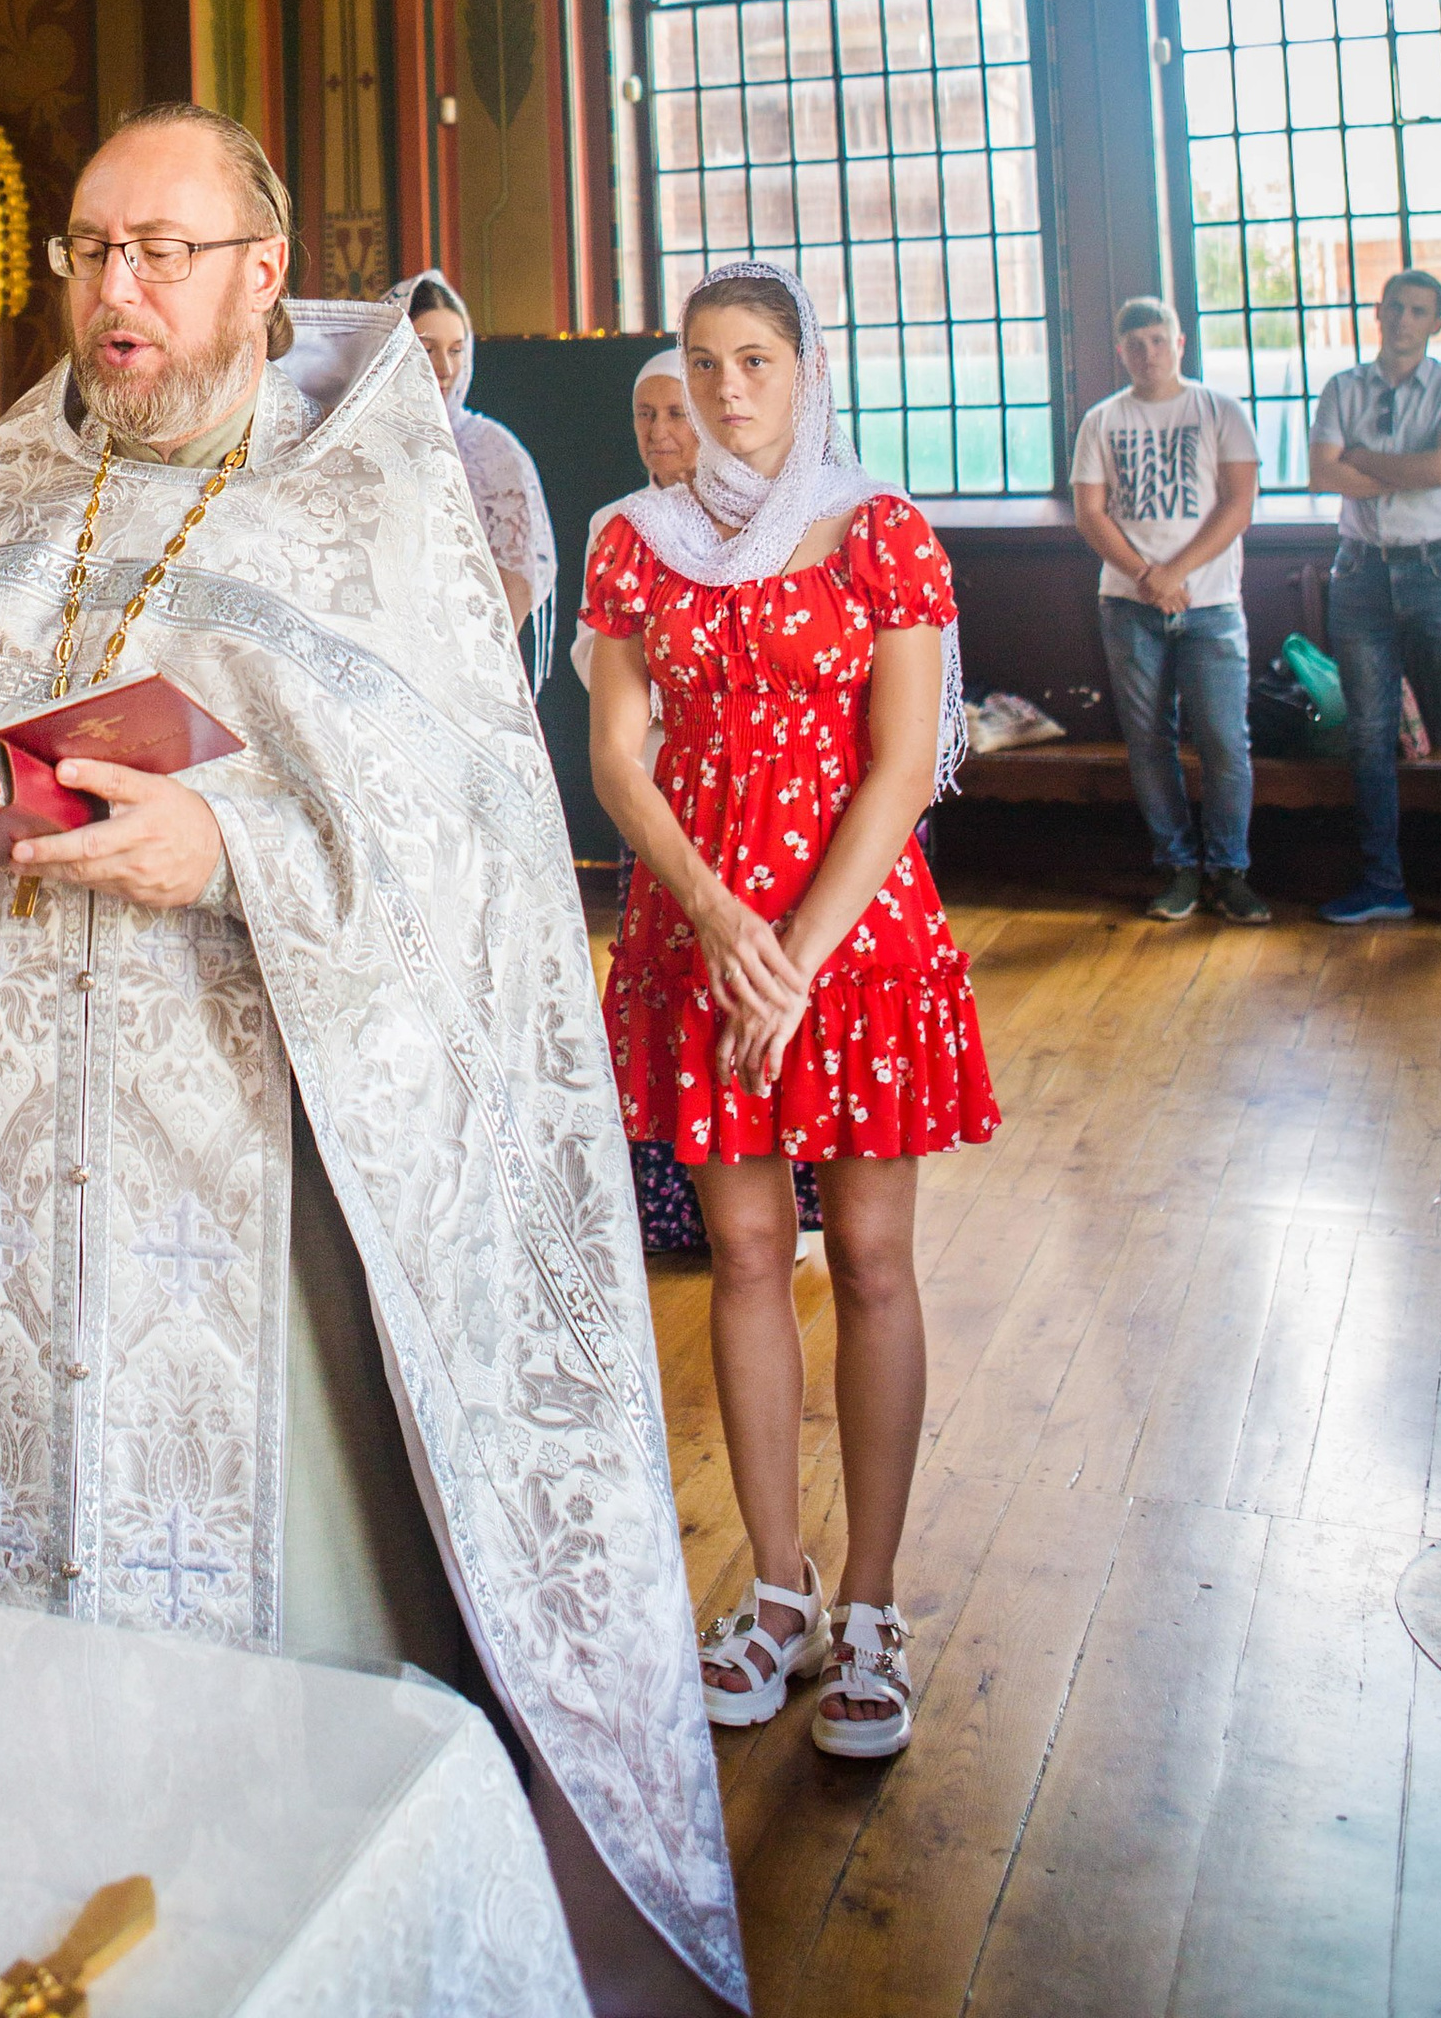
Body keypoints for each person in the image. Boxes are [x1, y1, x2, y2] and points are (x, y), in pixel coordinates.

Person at [0, 106, 745, 2015]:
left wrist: (234, 847)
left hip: (241, 1149)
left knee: (262, 1627)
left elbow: (473, 838)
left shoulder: (376, 498)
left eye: (162, 254)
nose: (114, 293)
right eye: (91, 250)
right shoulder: (9, 481)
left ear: (263, 277)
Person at [584, 266, 998, 1765]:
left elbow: (900, 764)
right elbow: (620, 755)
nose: (728, 389)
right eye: (704, 365)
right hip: (702, 941)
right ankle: (776, 1592)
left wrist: (798, 954)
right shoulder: (637, 544)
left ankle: (873, 1603)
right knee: (747, 1259)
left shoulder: (880, 531)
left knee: (874, 1261)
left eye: (756, 360)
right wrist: (717, 925)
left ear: (810, 367)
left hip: (853, 944)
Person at [575, 351, 824, 1260]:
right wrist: (643, 690)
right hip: (658, 786)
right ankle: (687, 1218)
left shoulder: (807, 519)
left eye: (674, 413)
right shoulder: (623, 526)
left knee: (777, 994)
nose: (661, 432)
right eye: (645, 417)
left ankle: (795, 1208)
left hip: (772, 804)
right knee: (689, 1006)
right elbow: (596, 665)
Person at [1069, 297, 1265, 926]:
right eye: (1136, 343)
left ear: (1180, 344)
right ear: (1120, 351)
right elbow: (1089, 514)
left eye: (1159, 340)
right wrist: (1148, 577)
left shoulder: (1221, 411)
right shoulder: (1101, 421)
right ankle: (1178, 868)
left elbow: (1238, 506)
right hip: (1129, 606)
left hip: (1211, 605)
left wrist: (1174, 574)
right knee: (1149, 742)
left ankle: (1230, 872)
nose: (1148, 353)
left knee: (1224, 742)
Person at [1309, 264, 1441, 926]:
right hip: (1360, 575)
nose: (1403, 319)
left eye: (1418, 310)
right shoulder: (1342, 387)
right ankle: (1383, 885)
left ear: (1436, 323)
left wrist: (1361, 458)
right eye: (1394, 307)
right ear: (1378, 312)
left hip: (1439, 573)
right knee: (1368, 737)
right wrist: (1398, 470)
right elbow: (1320, 471)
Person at [406, 274, 560, 678]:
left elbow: (516, 577)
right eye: (427, 349)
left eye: (456, 351)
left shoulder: (491, 450)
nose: (444, 368)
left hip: (468, 661)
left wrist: (476, 668)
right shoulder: (362, 440)